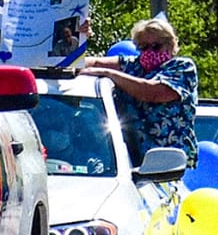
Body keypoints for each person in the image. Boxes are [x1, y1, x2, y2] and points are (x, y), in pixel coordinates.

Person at [77, 17, 198, 160]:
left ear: (170, 45)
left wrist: (109, 74)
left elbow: (151, 92)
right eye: (143, 47)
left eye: (156, 46)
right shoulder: (132, 66)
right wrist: (77, 40)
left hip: (168, 163)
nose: (149, 52)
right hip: (129, 161)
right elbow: (94, 62)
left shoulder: (182, 67)